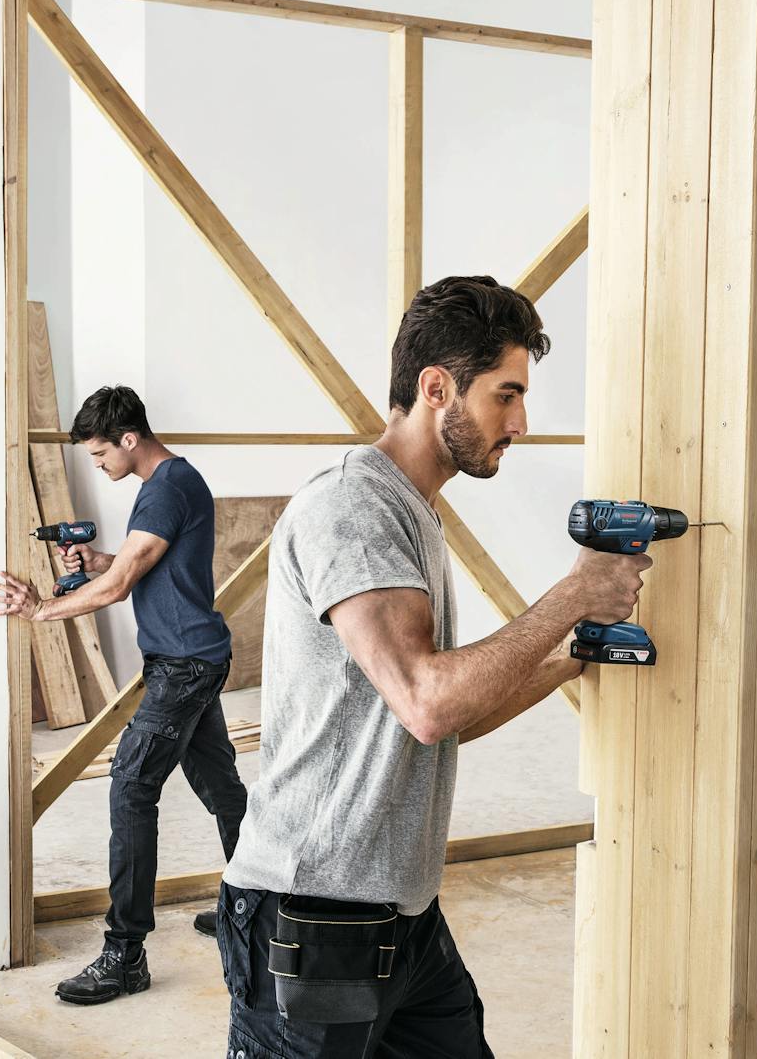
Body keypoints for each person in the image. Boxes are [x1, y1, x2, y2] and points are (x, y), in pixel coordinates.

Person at [217, 276, 651, 1056]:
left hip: (403, 917)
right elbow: (426, 700)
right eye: (505, 395)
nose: (519, 421)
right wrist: (573, 593)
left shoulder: (415, 511)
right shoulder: (354, 506)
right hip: (313, 914)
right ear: (436, 386)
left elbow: (447, 724)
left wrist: (570, 653)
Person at [0, 384, 248, 1006]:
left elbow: (121, 584)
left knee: (131, 788)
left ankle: (124, 956)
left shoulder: (168, 487)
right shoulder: (164, 490)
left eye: (102, 453)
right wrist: (99, 557)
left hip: (185, 667)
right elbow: (137, 563)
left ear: (130, 439)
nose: (99, 466)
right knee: (220, 788)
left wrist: (40, 608)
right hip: (187, 660)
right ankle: (255, 908)